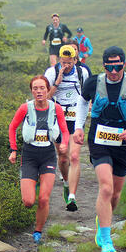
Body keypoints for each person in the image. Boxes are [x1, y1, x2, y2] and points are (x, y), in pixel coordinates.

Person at [73, 46, 126, 252]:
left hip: (124, 141)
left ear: (124, 63)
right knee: (106, 187)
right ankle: (106, 241)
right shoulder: (93, 82)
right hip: (99, 139)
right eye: (109, 66)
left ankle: (103, 218)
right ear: (104, 65)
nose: (113, 71)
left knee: (116, 193)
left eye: (117, 66)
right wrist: (79, 127)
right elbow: (82, 104)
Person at [8, 75, 69, 244]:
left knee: (43, 199)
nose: (39, 91)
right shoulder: (25, 108)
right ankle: (31, 185)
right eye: (35, 88)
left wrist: (64, 144)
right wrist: (13, 150)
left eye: (42, 88)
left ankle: (38, 231)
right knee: (28, 201)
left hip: (48, 155)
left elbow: (64, 131)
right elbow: (12, 127)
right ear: (31, 91)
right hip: (29, 156)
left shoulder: (55, 108)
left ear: (48, 89)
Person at [44, 45, 91, 212]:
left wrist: (90, 108)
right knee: (63, 157)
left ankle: (72, 196)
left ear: (75, 60)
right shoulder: (51, 72)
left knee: (75, 156)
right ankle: (65, 181)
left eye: (69, 63)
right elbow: (45, 97)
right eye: (63, 62)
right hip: (57, 116)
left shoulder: (82, 72)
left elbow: (88, 94)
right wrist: (58, 81)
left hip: (75, 115)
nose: (66, 66)